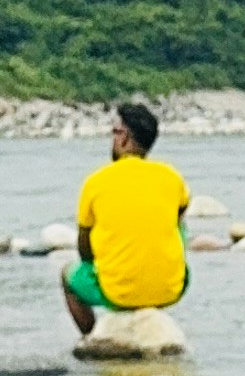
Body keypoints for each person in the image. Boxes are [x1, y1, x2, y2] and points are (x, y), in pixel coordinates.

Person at [62, 98, 191, 341]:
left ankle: (92, 337)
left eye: (114, 132)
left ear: (124, 137)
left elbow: (84, 248)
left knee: (67, 275)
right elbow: (180, 220)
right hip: (172, 289)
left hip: (116, 293)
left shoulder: (96, 182)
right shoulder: (172, 177)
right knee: (178, 223)